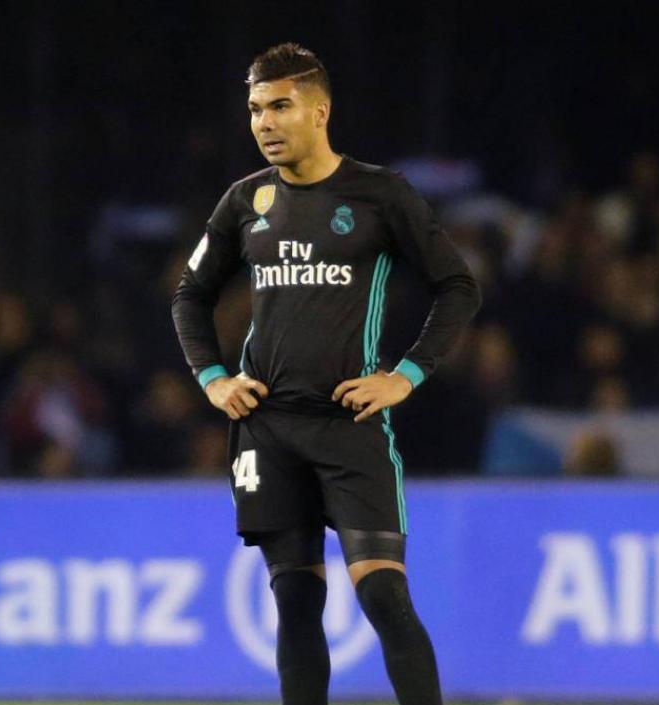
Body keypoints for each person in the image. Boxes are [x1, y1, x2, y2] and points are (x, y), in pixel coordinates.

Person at [171, 44, 481, 705]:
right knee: (296, 600)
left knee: (384, 594)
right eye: (255, 109)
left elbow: (457, 286)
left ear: (320, 110)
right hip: (268, 428)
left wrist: (405, 375)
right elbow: (189, 295)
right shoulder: (243, 201)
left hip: (352, 426)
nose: (264, 122)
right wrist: (214, 379)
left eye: (280, 106)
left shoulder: (379, 194)